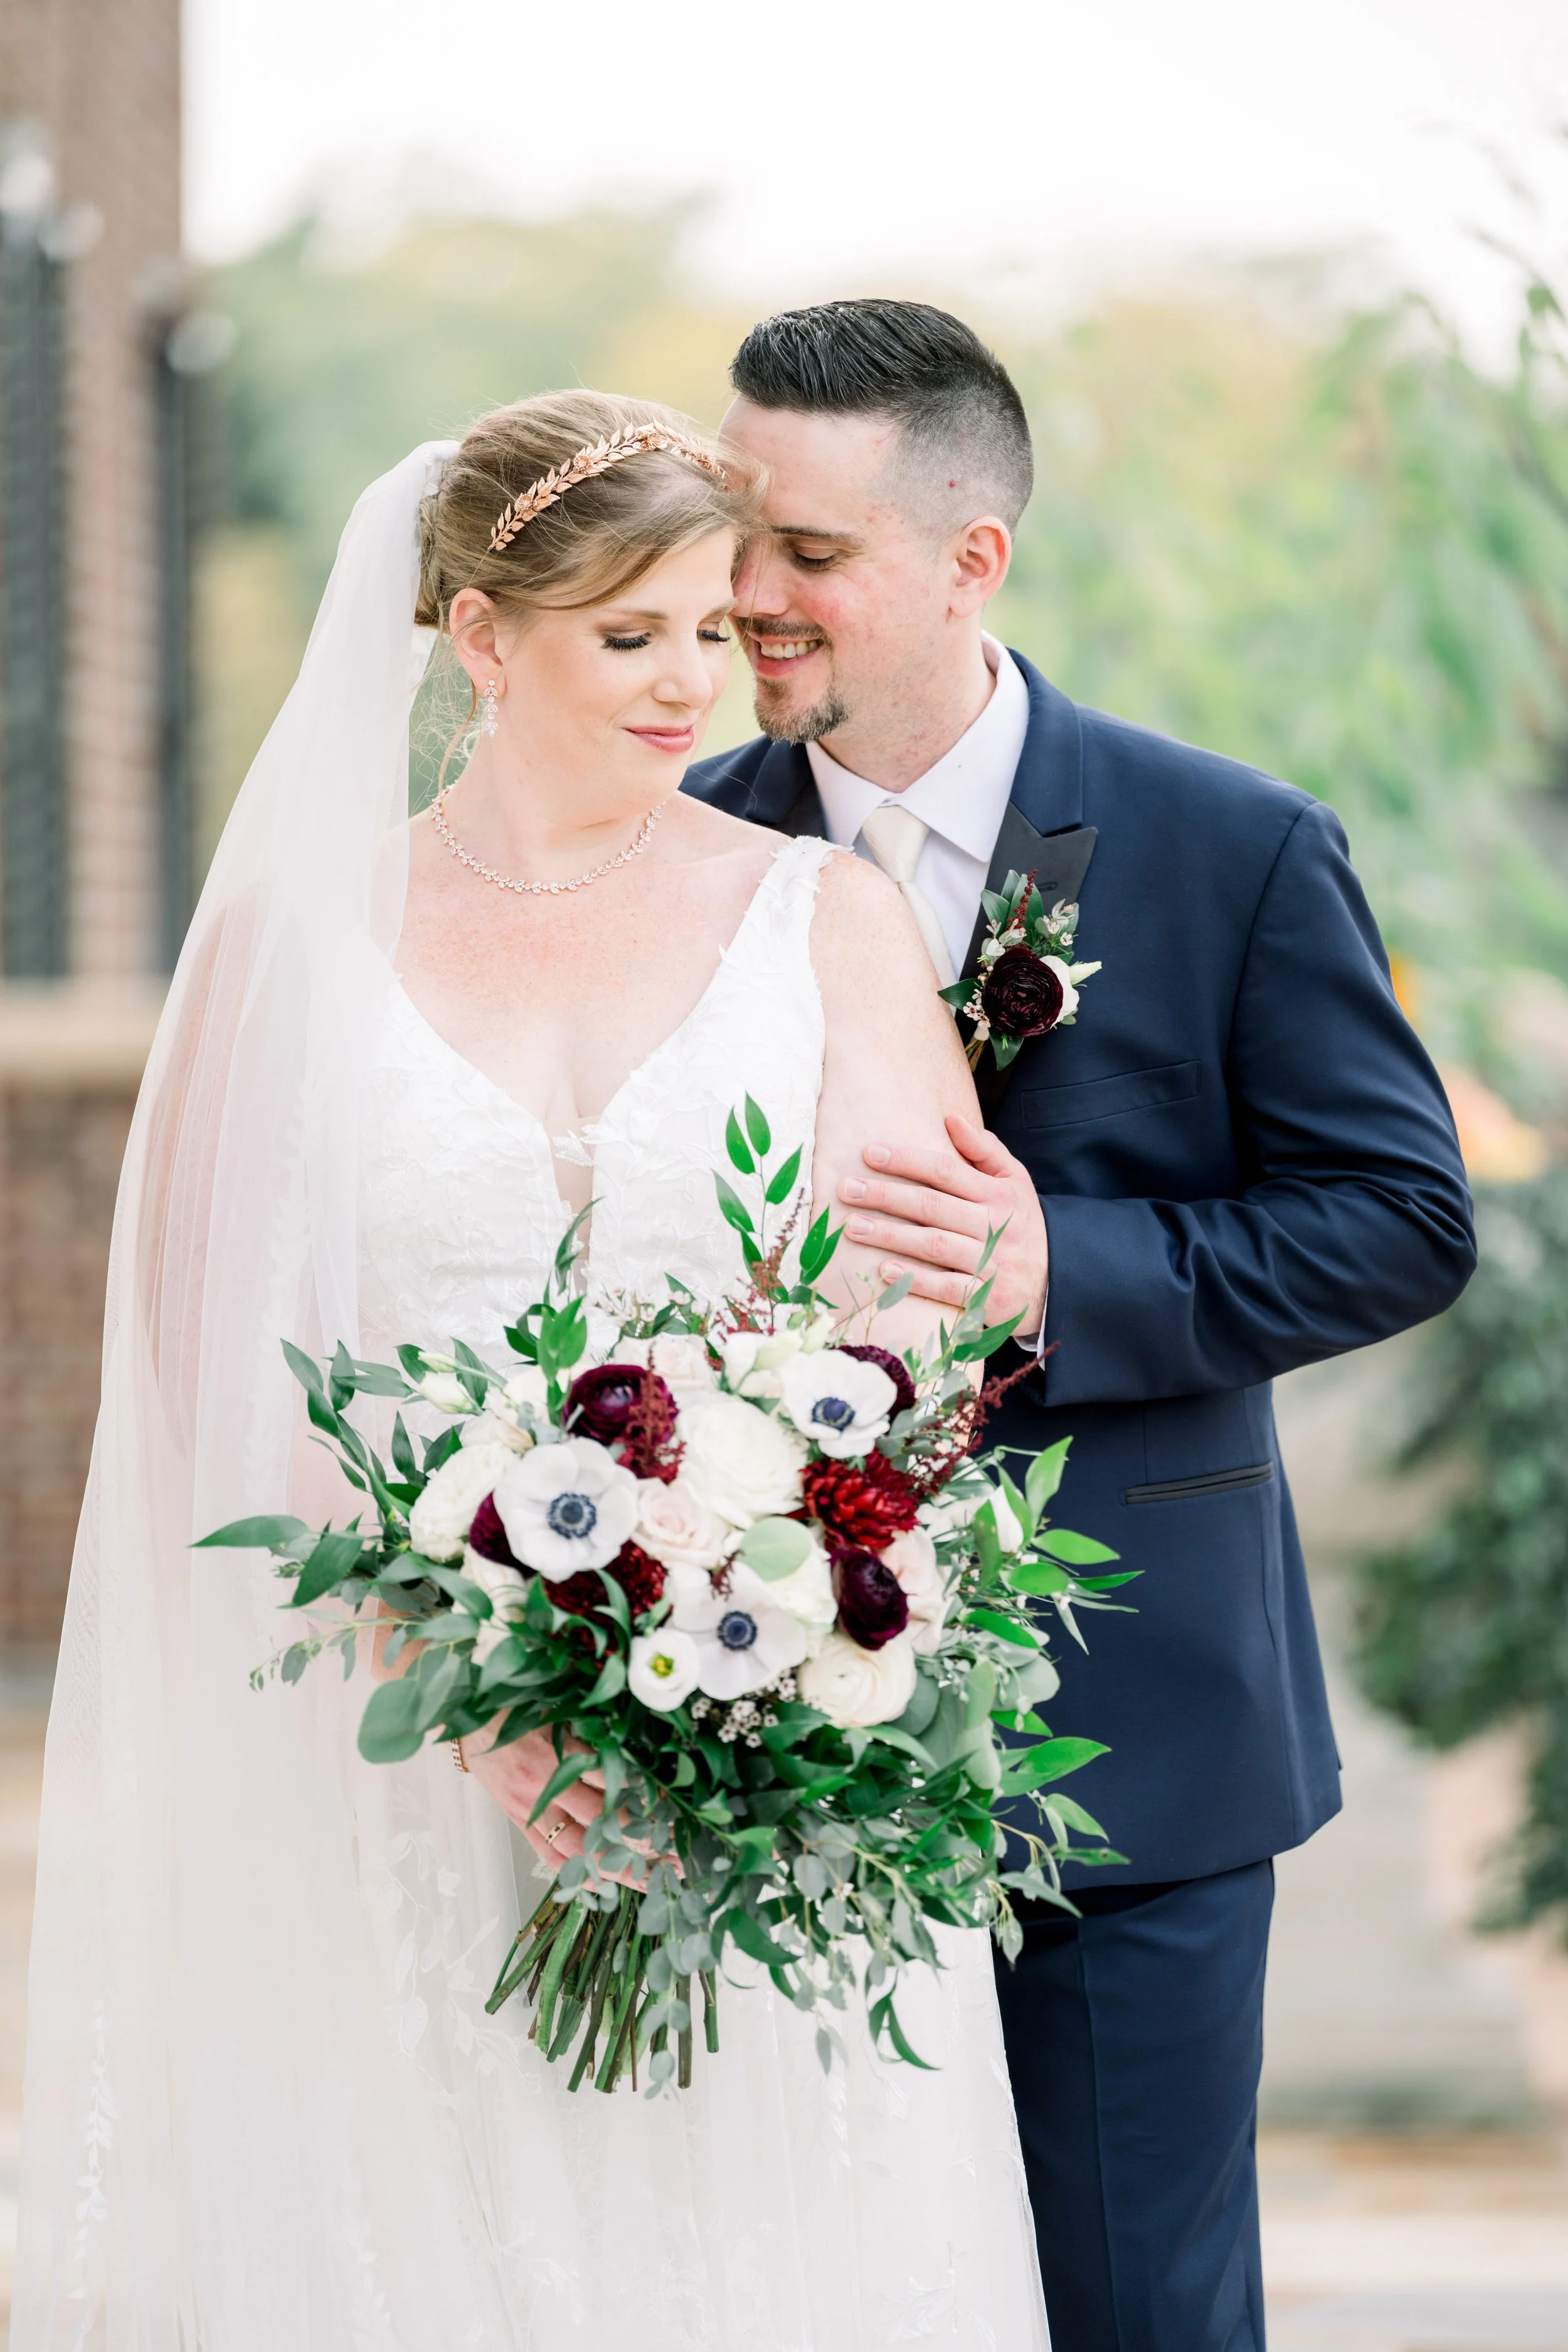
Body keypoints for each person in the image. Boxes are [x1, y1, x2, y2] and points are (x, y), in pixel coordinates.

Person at [13, 394, 1051, 2348]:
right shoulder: (292, 942)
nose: (690, 684)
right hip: (388, 1758)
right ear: (481, 636)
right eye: (627, 633)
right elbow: (207, 1352)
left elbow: (921, 1323)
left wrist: (780, 1613)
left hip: (746, 1756)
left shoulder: (821, 916)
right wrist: (469, 1688)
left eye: (714, 630)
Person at [686, 299, 1477, 2352]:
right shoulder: (671, 848)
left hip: (1128, 1727)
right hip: (743, 1722)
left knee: (1136, 2306)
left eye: (812, 554)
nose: (749, 598)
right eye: (734, 536)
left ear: (972, 561)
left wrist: (1074, 1272)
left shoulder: (1230, 846)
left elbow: (1399, 1221)